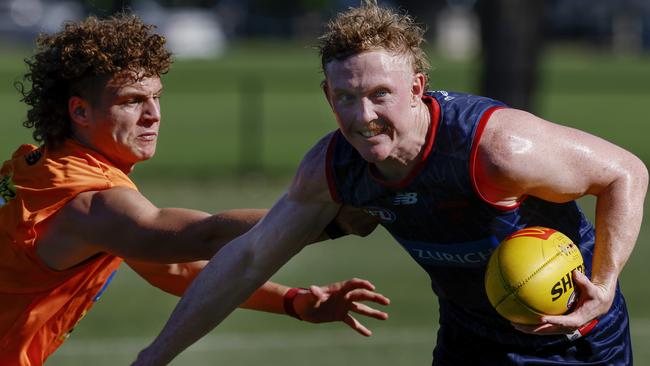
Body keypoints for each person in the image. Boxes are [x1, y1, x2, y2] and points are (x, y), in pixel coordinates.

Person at [132, 0, 649, 365]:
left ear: (417, 88)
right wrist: (154, 357)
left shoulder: (494, 148)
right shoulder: (334, 169)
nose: (365, 116)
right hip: (468, 338)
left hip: (573, 340)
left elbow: (625, 172)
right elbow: (248, 259)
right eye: (347, 97)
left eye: (381, 94)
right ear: (328, 96)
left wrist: (601, 288)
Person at [0, 13, 392, 366]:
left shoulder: (36, 165)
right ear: (80, 112)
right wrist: (333, 216)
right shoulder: (90, 202)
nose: (153, 114)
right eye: (133, 101)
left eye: (156, 97)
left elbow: (172, 267)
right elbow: (200, 236)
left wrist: (293, 301)